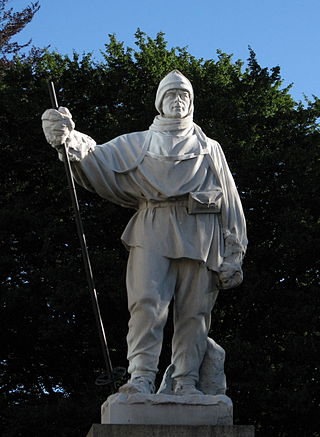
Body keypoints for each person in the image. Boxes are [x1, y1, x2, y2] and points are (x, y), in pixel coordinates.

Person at [42, 70, 247, 396]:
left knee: (195, 314)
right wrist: (67, 137)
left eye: (184, 96)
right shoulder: (139, 143)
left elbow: (230, 204)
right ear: (160, 102)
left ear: (191, 103)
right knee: (147, 305)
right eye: (170, 95)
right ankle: (140, 377)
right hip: (152, 228)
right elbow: (96, 158)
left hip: (201, 235)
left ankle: (186, 382)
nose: (178, 101)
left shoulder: (210, 149)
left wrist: (235, 253)